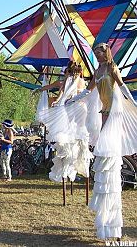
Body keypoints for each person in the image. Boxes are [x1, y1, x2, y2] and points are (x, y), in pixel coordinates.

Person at [46, 43, 137, 240]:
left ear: (107, 52)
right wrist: (72, 100)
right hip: (104, 111)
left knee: (106, 149)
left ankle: (112, 219)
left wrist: (135, 104)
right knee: (103, 151)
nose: (98, 55)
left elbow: (123, 88)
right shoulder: (98, 70)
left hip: (115, 110)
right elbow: (89, 90)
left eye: (100, 52)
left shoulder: (112, 68)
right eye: (96, 53)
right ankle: (108, 222)